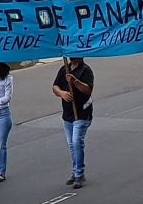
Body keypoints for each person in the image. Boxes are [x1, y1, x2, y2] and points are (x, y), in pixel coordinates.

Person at [52, 57, 94, 189]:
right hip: (68, 115)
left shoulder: (86, 70)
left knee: (76, 142)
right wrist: (61, 93)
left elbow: (88, 90)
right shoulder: (64, 69)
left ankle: (79, 174)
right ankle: (76, 171)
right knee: (72, 145)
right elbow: (55, 86)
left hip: (81, 114)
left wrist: (75, 81)